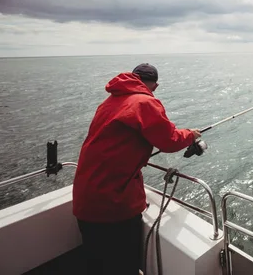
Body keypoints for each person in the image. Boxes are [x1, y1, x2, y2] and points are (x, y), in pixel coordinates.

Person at [72, 63, 205, 275]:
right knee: (123, 266)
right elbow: (169, 141)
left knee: (96, 265)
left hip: (85, 197)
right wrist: (191, 134)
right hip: (113, 204)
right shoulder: (145, 102)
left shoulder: (110, 101)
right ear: (155, 84)